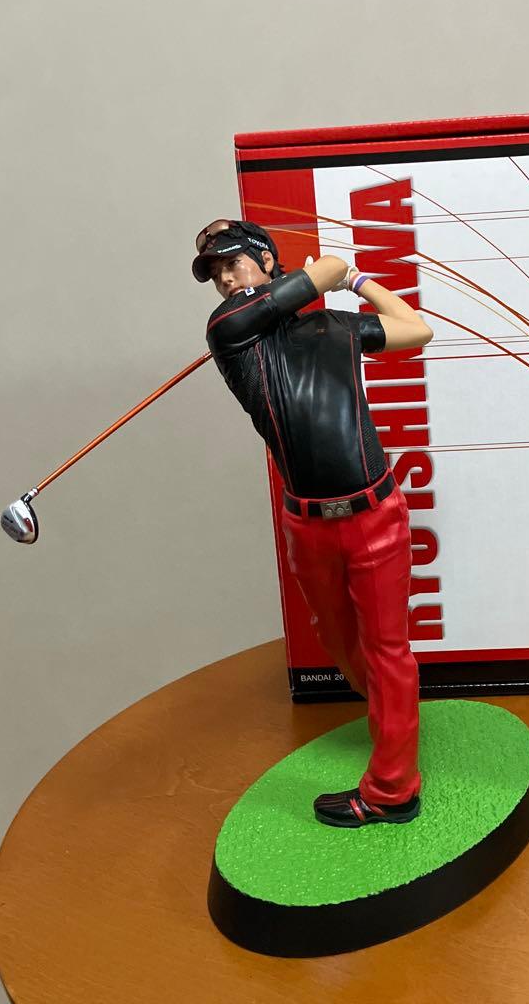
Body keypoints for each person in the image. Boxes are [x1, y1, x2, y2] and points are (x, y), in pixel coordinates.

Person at [192, 218, 433, 827]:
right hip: (308, 525)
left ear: (268, 261)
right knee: (341, 645)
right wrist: (331, 273)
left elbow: (416, 329)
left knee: (387, 650)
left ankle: (392, 790)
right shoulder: (229, 330)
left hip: (375, 514)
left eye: (234, 262)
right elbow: (323, 268)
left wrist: (358, 282)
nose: (225, 279)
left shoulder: (335, 328)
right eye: (216, 272)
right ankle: (394, 721)